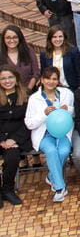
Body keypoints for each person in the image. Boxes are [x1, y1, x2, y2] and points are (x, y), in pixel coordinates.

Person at [25, 66, 75, 202]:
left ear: (58, 81)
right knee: (52, 150)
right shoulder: (34, 99)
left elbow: (75, 112)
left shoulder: (67, 94)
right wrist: (44, 114)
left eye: (54, 79)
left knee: (64, 151)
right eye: (47, 79)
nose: (51, 82)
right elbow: (29, 123)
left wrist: (68, 110)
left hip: (63, 132)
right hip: (44, 134)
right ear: (41, 80)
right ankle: (60, 188)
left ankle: (51, 176)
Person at [0, 65, 29, 205]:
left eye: (10, 77)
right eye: (3, 78)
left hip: (16, 138)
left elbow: (28, 122)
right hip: (0, 138)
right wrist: (1, 140)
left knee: (12, 157)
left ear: (16, 79)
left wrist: (14, 139)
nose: (7, 81)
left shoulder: (26, 96)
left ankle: (7, 190)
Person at [40, 26, 80, 91]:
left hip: (71, 89)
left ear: (64, 38)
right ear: (50, 39)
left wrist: (79, 89)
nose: (58, 39)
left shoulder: (73, 52)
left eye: (60, 36)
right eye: (54, 37)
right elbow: (44, 74)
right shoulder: (44, 55)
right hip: (52, 89)